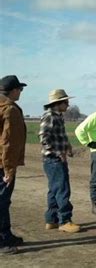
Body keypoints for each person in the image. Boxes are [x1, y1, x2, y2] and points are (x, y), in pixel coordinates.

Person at [39, 89, 81, 233]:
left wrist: (67, 146)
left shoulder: (58, 116)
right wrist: (58, 153)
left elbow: (59, 136)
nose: (68, 105)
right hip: (54, 159)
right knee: (63, 189)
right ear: (58, 103)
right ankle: (65, 220)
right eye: (66, 102)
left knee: (54, 189)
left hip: (55, 158)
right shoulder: (50, 116)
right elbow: (44, 138)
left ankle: (52, 220)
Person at [0, 75, 27, 255]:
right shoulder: (10, 110)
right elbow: (8, 142)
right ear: (14, 90)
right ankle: (2, 241)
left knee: (3, 201)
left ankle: (6, 234)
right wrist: (9, 170)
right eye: (20, 89)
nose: (21, 93)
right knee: (1, 202)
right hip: (3, 164)